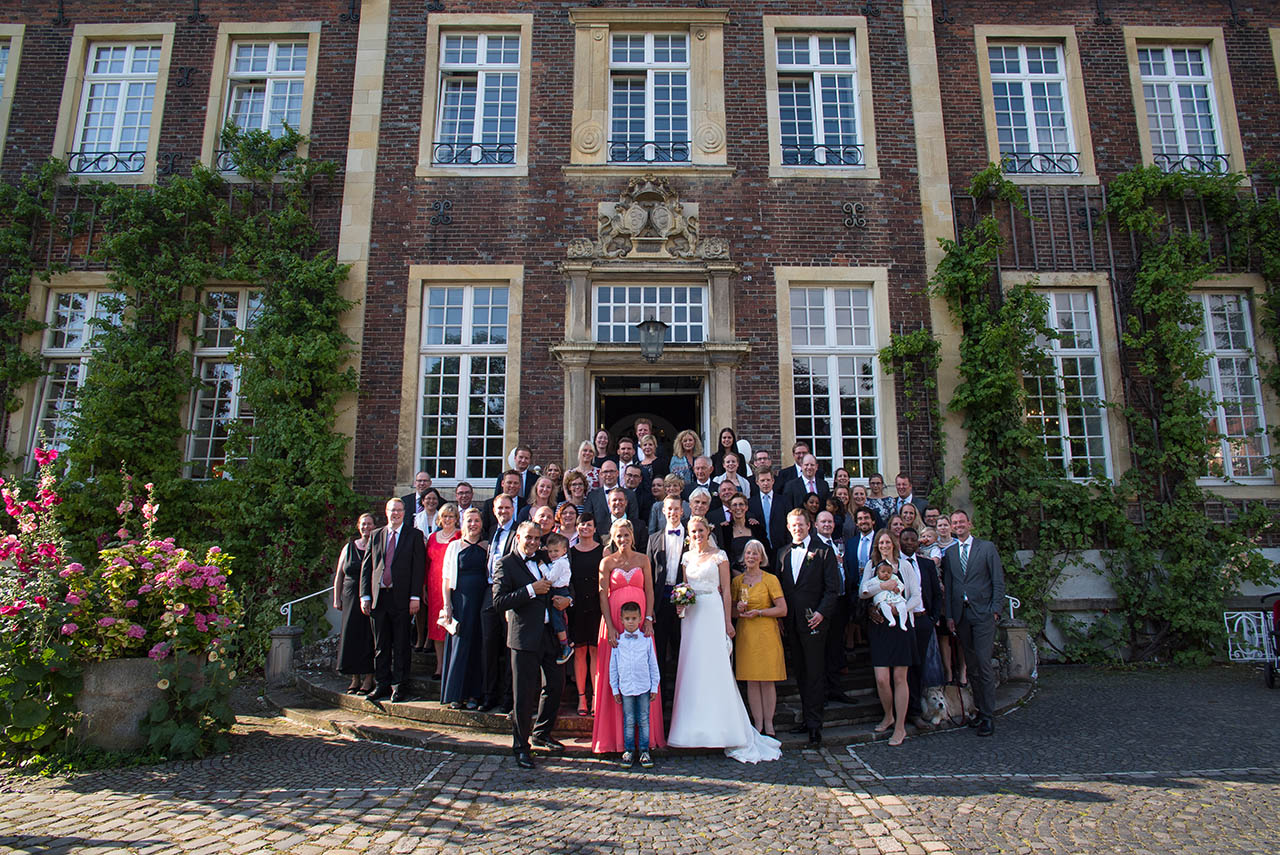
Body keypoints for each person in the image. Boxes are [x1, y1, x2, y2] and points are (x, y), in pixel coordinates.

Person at [667, 516, 781, 763]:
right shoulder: (686, 558)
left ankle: (724, 728)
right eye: (693, 531)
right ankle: (691, 729)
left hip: (712, 611)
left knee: (716, 668)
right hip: (692, 616)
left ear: (708, 531)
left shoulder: (720, 556)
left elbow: (727, 590)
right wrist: (680, 604)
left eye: (701, 531)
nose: (697, 535)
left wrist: (728, 621)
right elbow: (685, 586)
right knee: (692, 669)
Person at [492, 522, 572, 768]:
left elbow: (565, 582)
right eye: (529, 537)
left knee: (556, 685)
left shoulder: (543, 557)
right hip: (524, 637)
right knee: (524, 695)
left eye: (537, 538)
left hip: (549, 633)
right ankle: (521, 747)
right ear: (518, 537)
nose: (533, 542)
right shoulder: (505, 563)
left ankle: (542, 732)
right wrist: (530, 590)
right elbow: (498, 601)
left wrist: (568, 599)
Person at [591, 519, 665, 754]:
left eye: (626, 535)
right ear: (612, 538)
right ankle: (615, 738)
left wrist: (649, 619)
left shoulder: (643, 560)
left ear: (632, 536)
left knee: (642, 667)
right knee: (615, 671)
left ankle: (644, 740)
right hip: (614, 620)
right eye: (618, 536)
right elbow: (603, 595)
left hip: (640, 621)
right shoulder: (606, 562)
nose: (622, 540)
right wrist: (611, 626)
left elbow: (650, 590)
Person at [776, 508, 842, 744]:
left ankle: (815, 725)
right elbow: (781, 591)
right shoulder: (782, 553)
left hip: (814, 621)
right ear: (788, 527)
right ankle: (806, 719)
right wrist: (781, 619)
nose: (797, 529)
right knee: (801, 673)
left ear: (809, 526)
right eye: (793, 525)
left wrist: (822, 613)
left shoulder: (823, 552)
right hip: (791, 622)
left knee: (814, 673)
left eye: (801, 525)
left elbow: (832, 589)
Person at [940, 509, 1004, 738]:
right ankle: (978, 709)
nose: (958, 525)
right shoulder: (950, 553)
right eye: (954, 523)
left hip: (983, 614)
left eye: (961, 522)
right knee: (972, 667)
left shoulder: (986, 548)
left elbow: (997, 579)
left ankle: (988, 715)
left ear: (969, 524)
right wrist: (949, 616)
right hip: (961, 616)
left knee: (984, 664)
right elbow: (949, 585)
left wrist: (995, 609)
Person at [359, 498, 427, 703]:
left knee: (401, 644)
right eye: (391, 510)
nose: (395, 514)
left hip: (403, 598)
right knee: (381, 644)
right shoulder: (377, 535)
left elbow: (418, 568)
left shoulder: (414, 535)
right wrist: (365, 595)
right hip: (379, 597)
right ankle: (381, 684)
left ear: (404, 512)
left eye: (398, 510)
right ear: (386, 512)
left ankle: (399, 685)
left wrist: (415, 596)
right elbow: (367, 566)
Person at [860, 529, 920, 747]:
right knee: (882, 678)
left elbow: (916, 596)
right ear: (877, 545)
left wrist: (899, 609)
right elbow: (863, 592)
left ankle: (900, 726)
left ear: (894, 544)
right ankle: (888, 715)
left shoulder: (905, 566)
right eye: (881, 542)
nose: (884, 545)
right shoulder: (871, 566)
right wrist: (882, 586)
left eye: (888, 542)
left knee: (899, 678)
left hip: (902, 626)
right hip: (879, 628)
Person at [731, 539, 787, 736]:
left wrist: (760, 612)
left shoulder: (770, 579)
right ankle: (758, 724)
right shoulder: (737, 582)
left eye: (756, 553)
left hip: (766, 633)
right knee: (752, 680)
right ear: (743, 558)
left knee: (767, 680)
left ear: (762, 557)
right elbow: (731, 611)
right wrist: (737, 609)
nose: (751, 557)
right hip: (746, 634)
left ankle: (769, 723)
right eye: (748, 553)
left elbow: (782, 609)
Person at [439, 508, 488, 710]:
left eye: (477, 520)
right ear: (463, 523)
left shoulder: (487, 546)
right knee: (460, 645)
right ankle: (456, 693)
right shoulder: (454, 547)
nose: (473, 524)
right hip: (461, 601)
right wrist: (447, 604)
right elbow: (446, 578)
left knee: (478, 646)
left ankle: (474, 695)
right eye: (469, 520)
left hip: (482, 601)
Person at [899, 526, 943, 728]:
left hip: (923, 619)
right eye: (905, 539)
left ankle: (916, 710)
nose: (908, 542)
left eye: (912, 540)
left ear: (918, 543)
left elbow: (936, 593)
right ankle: (905, 710)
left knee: (918, 667)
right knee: (903, 668)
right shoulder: (895, 564)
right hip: (903, 622)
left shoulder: (926, 565)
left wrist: (932, 618)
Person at [609, 601, 661, 769]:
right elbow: (613, 667)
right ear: (621, 620)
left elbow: (653, 664)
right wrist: (614, 688)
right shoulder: (618, 642)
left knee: (644, 719)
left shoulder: (646, 641)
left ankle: (645, 750)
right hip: (626, 687)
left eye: (633, 618)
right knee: (629, 720)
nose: (630, 622)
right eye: (627, 618)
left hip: (644, 685)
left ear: (639, 619)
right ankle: (629, 750)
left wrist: (654, 686)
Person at [646, 495, 687, 702]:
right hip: (661, 603)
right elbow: (649, 576)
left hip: (684, 605)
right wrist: (650, 608)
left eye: (676, 509)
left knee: (683, 650)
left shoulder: (691, 536)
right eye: (668, 509)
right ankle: (659, 700)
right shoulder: (653, 539)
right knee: (659, 651)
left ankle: (683, 699)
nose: (672, 512)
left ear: (682, 511)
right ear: (663, 511)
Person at [480, 495, 516, 714]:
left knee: (509, 647)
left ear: (513, 509)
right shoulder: (493, 531)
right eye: (499, 508)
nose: (503, 511)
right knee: (488, 647)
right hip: (489, 591)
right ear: (494, 510)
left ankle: (507, 698)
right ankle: (488, 695)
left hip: (510, 594)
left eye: (507, 507)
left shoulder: (517, 532)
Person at [332, 513, 376, 694]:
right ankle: (354, 677)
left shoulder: (377, 546)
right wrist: (337, 598)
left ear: (374, 526)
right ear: (359, 526)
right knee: (351, 635)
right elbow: (339, 575)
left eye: (370, 524)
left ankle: (368, 678)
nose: (366, 527)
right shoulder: (349, 547)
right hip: (350, 596)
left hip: (370, 596)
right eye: (363, 524)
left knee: (368, 636)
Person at [569, 513, 604, 716]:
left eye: (589, 525)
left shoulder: (603, 551)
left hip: (597, 605)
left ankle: (596, 697)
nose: (585, 528)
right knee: (580, 651)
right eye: (582, 524)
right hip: (577, 606)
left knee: (595, 652)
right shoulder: (570, 552)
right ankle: (582, 697)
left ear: (595, 528)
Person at [423, 503, 460, 677]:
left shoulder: (460, 536)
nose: (448, 519)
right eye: (445, 516)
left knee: (452, 625)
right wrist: (423, 587)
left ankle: (451, 666)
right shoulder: (432, 537)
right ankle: (439, 666)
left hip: (453, 585)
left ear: (456, 519)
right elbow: (426, 564)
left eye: (451, 516)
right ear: (440, 518)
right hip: (434, 586)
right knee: (437, 626)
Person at [542, 532, 576, 664]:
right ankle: (568, 640)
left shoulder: (560, 563)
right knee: (560, 617)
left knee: (557, 619)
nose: (553, 554)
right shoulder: (559, 561)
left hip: (559, 591)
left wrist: (542, 566)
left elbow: (550, 578)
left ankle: (565, 645)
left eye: (556, 551)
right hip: (558, 590)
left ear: (564, 550)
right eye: (550, 551)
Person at [717, 492, 767, 574]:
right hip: (733, 576)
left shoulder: (756, 528)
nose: (738, 507)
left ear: (746, 507)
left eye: (741, 504)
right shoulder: (724, 530)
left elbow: (765, 551)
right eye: (734, 505)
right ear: (729, 509)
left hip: (757, 574)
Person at [748, 467, 789, 553]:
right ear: (757, 482)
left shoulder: (784, 501)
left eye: (768, 480)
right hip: (759, 549)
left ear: (773, 481)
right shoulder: (750, 503)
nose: (766, 483)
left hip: (781, 548)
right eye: (762, 481)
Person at [599, 487, 647, 552]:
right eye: (614, 500)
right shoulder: (600, 527)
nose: (618, 502)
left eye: (620, 500)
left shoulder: (640, 526)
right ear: (609, 503)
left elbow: (643, 552)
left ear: (626, 502)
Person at [484, 470, 526, 537]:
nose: (512, 486)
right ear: (502, 483)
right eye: (509, 482)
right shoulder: (489, 504)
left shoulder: (526, 505)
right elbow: (484, 529)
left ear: (520, 485)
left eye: (515, 483)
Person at [870, 563, 910, 629]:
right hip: (883, 599)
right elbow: (866, 587)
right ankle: (891, 620)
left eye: (889, 572)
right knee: (884, 606)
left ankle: (903, 623)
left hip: (895, 598)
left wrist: (898, 589)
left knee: (902, 606)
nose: (886, 574)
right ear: (877, 572)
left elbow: (901, 585)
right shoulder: (875, 580)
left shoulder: (894, 578)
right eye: (883, 572)